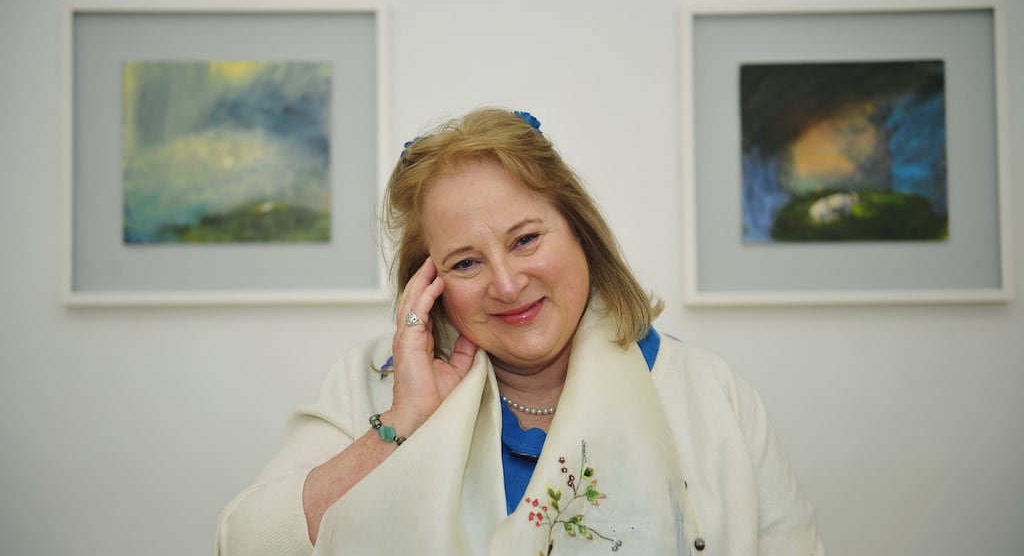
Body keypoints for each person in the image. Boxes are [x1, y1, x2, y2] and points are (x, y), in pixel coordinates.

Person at [215, 107, 825, 555]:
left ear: (579, 230)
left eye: (526, 239)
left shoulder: (709, 391)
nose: (506, 284)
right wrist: (402, 422)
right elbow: (244, 546)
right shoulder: (370, 386)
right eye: (465, 262)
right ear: (429, 285)